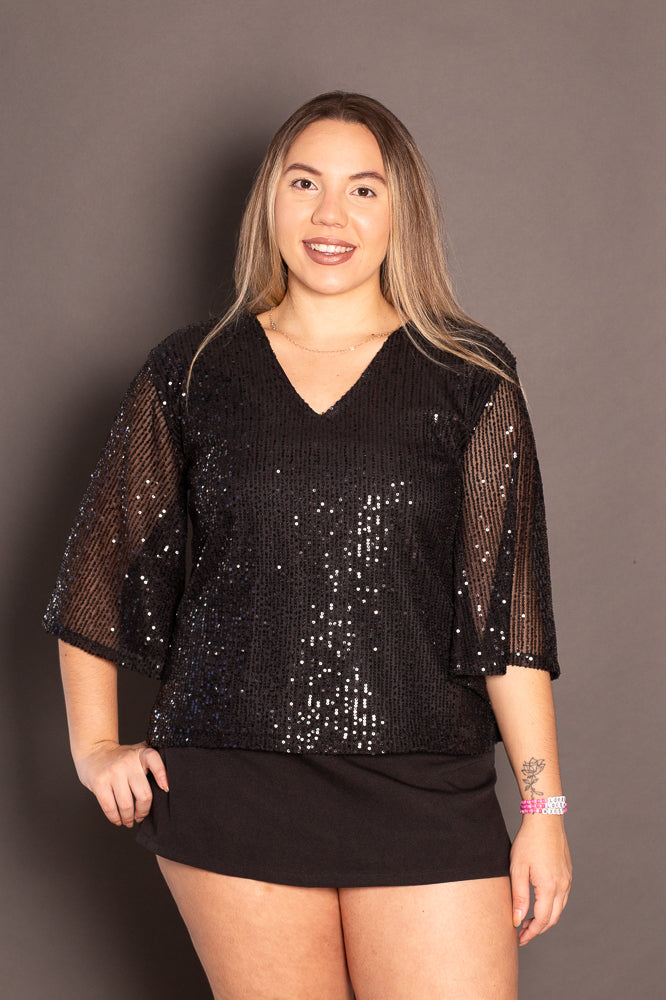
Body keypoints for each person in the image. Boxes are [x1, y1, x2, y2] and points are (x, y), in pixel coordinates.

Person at [44, 91, 572, 1000]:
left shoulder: (470, 378)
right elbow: (97, 573)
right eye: (305, 184)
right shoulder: (191, 371)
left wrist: (543, 810)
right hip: (231, 788)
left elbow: (508, 622)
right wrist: (94, 747)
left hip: (426, 790)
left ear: (400, 213)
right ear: (271, 203)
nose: (332, 215)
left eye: (363, 190)